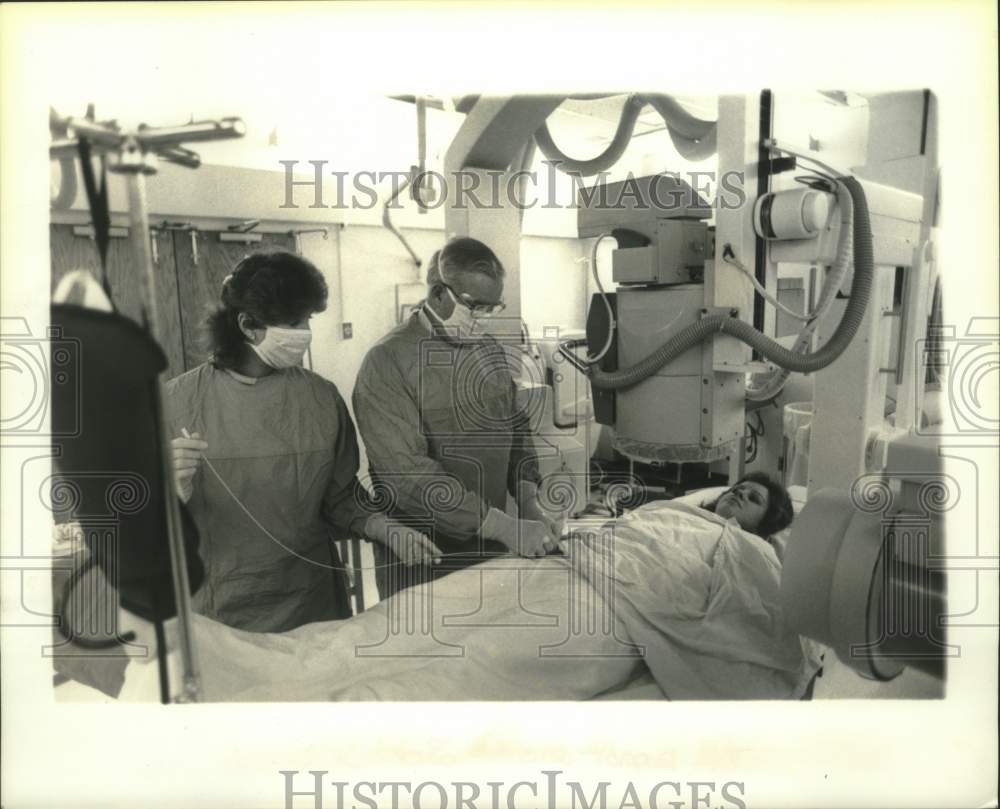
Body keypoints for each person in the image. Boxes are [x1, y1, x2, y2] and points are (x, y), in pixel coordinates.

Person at [166, 249, 440, 633]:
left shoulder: (321, 399)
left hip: (311, 604)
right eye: (295, 322)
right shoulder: (175, 404)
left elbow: (342, 499)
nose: (305, 333)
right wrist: (171, 492)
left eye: (308, 319)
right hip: (223, 613)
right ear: (247, 324)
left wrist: (385, 528)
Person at [352, 237, 561, 599]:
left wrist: (528, 501)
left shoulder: (488, 351)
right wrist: (502, 526)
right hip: (422, 558)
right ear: (437, 294)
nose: (482, 318)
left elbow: (516, 431)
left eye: (492, 308)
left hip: (490, 549)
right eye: (474, 306)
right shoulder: (387, 362)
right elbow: (408, 475)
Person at [704, 471, 794, 539]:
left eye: (753, 498)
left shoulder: (755, 555)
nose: (740, 493)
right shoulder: (691, 514)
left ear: (765, 522)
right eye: (735, 489)